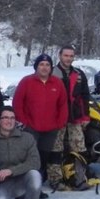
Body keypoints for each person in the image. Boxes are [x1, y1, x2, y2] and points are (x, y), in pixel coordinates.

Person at [12, 53, 68, 191]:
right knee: (30, 158)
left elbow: (63, 104)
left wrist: (59, 123)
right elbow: (17, 103)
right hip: (31, 128)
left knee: (43, 158)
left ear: (51, 67)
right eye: (41, 64)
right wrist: (24, 122)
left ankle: (37, 188)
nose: (44, 67)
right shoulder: (27, 81)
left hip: (50, 129)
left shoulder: (57, 83)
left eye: (47, 65)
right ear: (36, 66)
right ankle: (24, 188)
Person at [52, 45, 92, 189]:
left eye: (71, 56)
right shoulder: (52, 73)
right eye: (66, 55)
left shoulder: (79, 74)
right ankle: (56, 180)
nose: (68, 58)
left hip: (75, 117)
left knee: (79, 148)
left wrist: (86, 116)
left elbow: (85, 96)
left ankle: (79, 178)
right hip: (57, 117)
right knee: (56, 149)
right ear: (60, 56)